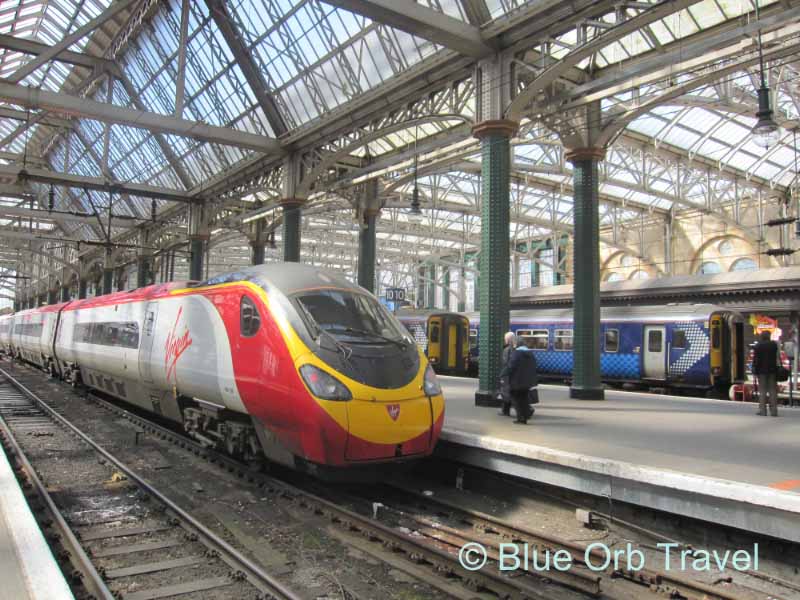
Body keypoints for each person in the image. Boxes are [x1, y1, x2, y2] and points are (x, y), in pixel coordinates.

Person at [501, 336, 538, 424]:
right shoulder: (530, 353)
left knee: (516, 400)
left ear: (516, 343)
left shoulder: (517, 353)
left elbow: (511, 366)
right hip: (528, 381)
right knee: (524, 399)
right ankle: (525, 416)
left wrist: (502, 374)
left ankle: (521, 418)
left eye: (514, 343)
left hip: (517, 381)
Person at [753, 330, 780, 417]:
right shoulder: (773, 345)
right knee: (772, 391)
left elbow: (756, 360)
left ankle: (763, 411)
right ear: (769, 337)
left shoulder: (758, 346)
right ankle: (774, 411)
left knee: (763, 391)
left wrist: (755, 370)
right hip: (772, 371)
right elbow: (776, 357)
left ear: (761, 337)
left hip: (761, 372)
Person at [497, 331, 516, 416]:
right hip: (514, 375)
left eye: (505, 339)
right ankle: (505, 411)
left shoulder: (507, 349)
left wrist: (502, 375)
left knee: (506, 393)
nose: (504, 340)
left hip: (507, 376)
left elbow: (506, 363)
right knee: (507, 393)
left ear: (508, 340)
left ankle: (527, 410)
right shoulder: (516, 348)